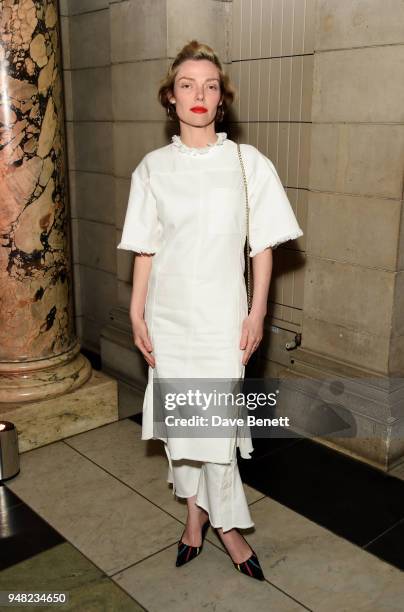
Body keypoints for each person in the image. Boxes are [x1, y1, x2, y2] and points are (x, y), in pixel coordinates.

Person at [117, 40, 304, 581]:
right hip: (168, 314)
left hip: (225, 314)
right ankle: (198, 520)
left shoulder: (248, 163)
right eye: (186, 85)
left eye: (210, 86)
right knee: (184, 425)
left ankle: (223, 525)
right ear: (170, 99)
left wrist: (258, 311)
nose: (199, 94)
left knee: (214, 425)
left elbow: (263, 245)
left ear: (222, 100)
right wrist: (136, 313)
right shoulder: (152, 168)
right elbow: (147, 247)